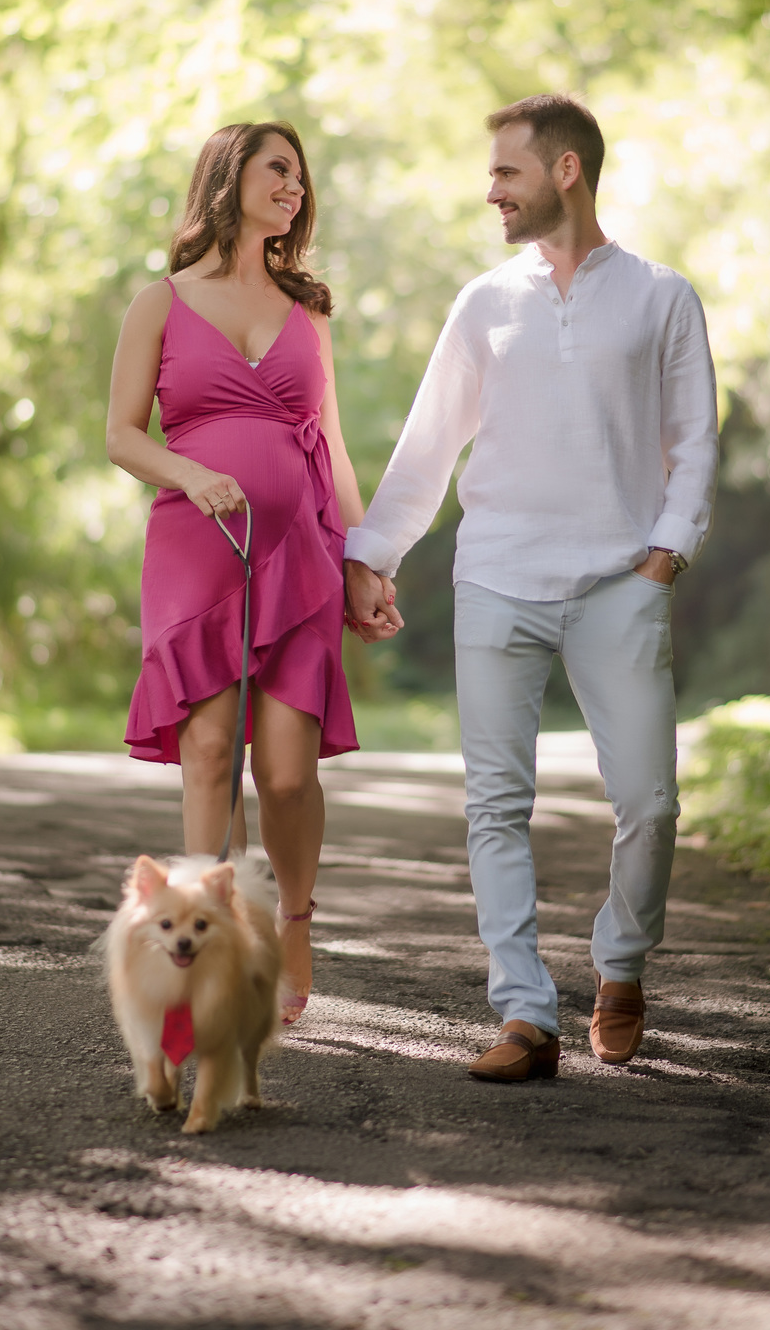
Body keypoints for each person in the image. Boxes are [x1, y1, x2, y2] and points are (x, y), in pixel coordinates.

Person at [345, 94, 718, 1078]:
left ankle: (622, 961)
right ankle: (524, 1015)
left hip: (618, 584)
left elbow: (695, 441)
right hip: (499, 578)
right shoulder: (484, 302)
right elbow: (429, 447)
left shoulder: (661, 297)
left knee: (651, 802)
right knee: (494, 803)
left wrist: (664, 554)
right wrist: (371, 553)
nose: (491, 191)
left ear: (566, 171)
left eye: (507, 171)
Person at [107, 120, 397, 1023]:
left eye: (302, 179)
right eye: (280, 170)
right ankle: (210, 955)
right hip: (197, 549)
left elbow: (336, 452)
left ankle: (296, 925)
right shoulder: (159, 303)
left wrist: (364, 561)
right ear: (231, 178)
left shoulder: (308, 314)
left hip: (301, 558)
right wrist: (193, 475)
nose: (295, 189)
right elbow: (121, 436)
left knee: (283, 772)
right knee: (205, 751)